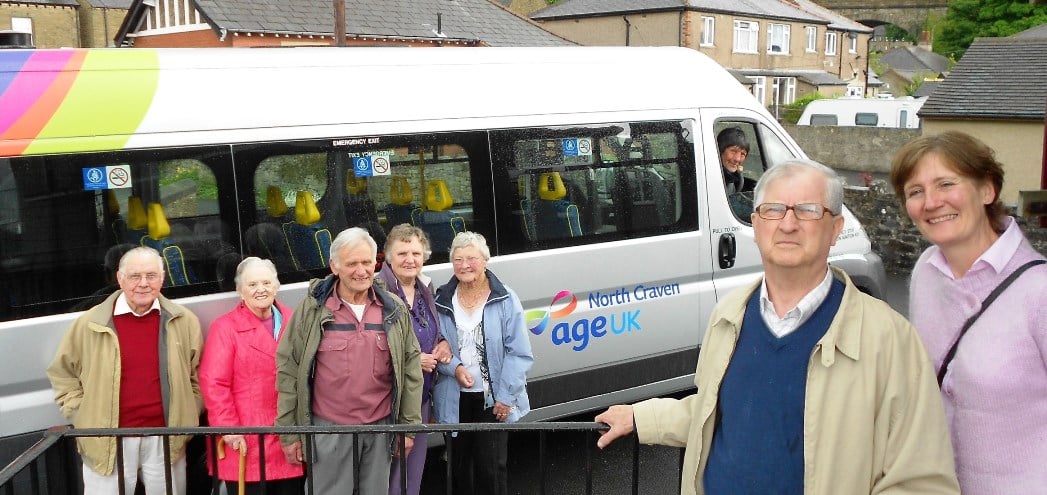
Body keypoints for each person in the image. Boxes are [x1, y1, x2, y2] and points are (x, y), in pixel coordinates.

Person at [594, 159, 959, 495]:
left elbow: (921, 479)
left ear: (835, 229)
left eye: (807, 210)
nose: (787, 224)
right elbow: (718, 412)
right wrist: (641, 416)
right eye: (772, 210)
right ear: (755, 225)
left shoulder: (890, 339)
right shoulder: (729, 316)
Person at [889, 131, 1047, 494]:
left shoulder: (1039, 290)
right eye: (915, 192)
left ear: (987, 190)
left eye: (946, 183)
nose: (931, 202)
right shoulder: (926, 272)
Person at [275, 227, 423, 495]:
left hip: (380, 429)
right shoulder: (312, 310)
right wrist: (290, 433)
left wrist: (409, 427)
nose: (361, 270)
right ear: (334, 265)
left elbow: (412, 370)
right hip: (328, 432)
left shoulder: (393, 309)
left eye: (367, 262)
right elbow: (288, 370)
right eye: (352, 263)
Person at [47, 246, 203, 495]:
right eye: (134, 276)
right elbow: (62, 373)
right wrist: (82, 414)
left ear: (162, 278)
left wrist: (189, 412)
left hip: (165, 437)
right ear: (119, 279)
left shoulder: (183, 320)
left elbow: (198, 375)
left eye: (151, 276)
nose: (143, 284)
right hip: (108, 439)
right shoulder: (91, 323)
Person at [433, 231, 533, 495]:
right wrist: (452, 364)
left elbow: (519, 352)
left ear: (485, 261)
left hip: (493, 399)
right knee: (458, 469)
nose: (464, 265)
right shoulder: (441, 299)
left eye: (471, 258)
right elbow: (432, 347)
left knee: (490, 470)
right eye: (457, 259)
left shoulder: (505, 298)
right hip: (453, 398)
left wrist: (506, 396)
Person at [199, 257, 304, 495]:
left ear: (276, 286)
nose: (261, 289)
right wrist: (228, 428)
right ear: (239, 291)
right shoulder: (224, 328)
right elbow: (214, 383)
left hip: (288, 436)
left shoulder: (294, 320)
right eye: (252, 284)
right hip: (245, 440)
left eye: (266, 282)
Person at [374, 224, 452, 495]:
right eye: (402, 253)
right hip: (388, 402)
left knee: (412, 474)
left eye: (416, 253)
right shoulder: (376, 290)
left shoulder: (425, 286)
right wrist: (412, 360)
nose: (410, 260)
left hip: (420, 398)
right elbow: (367, 346)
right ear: (388, 257)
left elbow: (432, 328)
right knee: (386, 475)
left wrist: (442, 343)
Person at [717, 126, 751, 195]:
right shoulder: (707, 177)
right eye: (733, 151)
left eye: (742, 154)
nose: (737, 159)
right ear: (719, 150)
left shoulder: (734, 179)